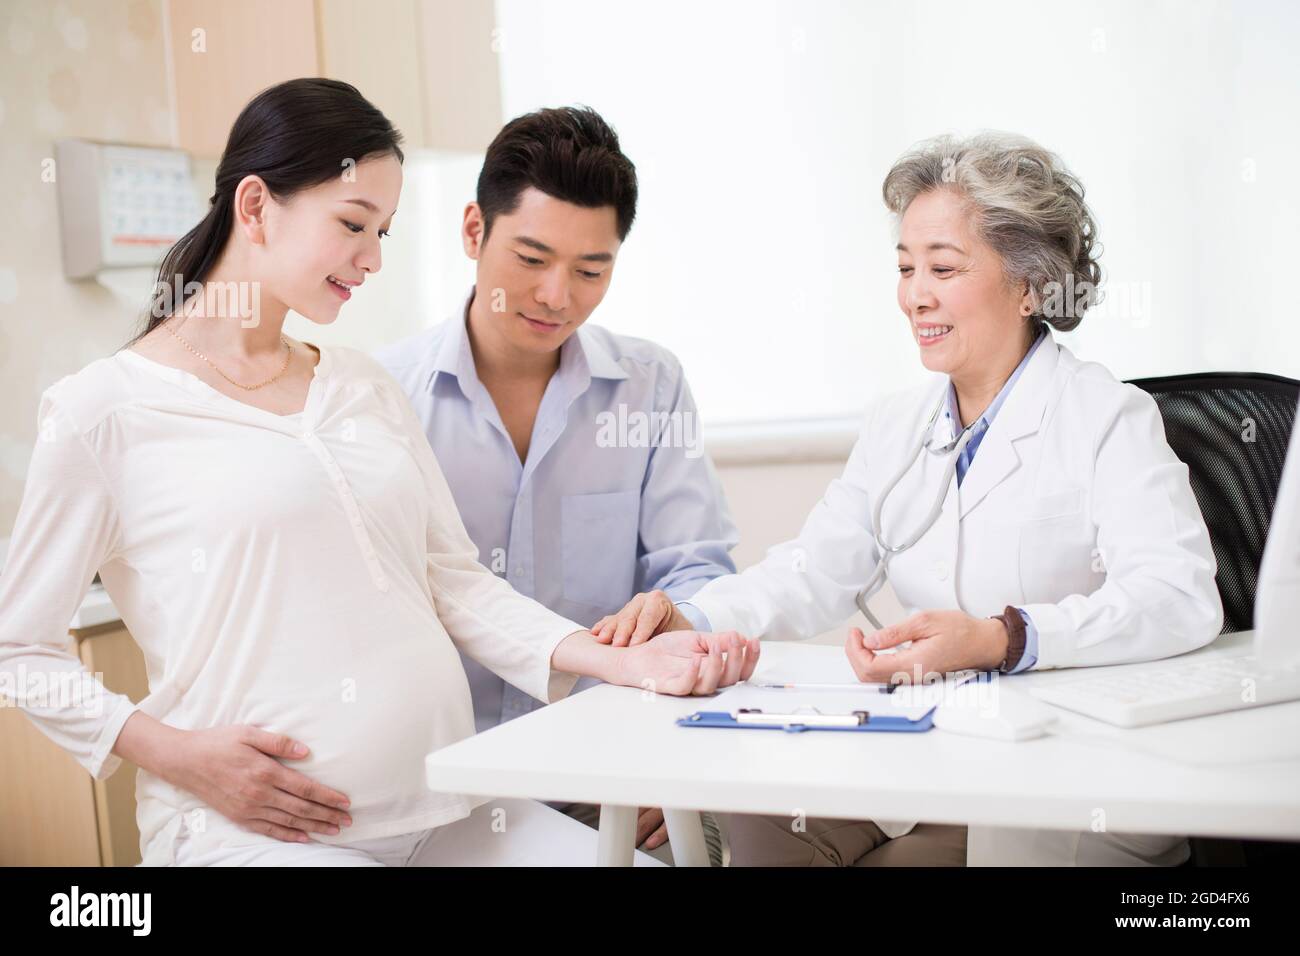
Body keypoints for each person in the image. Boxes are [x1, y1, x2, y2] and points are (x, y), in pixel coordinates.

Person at [0, 78, 757, 867]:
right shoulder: (103, 410)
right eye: (353, 224)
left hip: (444, 808)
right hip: (258, 833)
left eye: (384, 232)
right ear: (255, 206)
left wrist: (617, 659)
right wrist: (177, 754)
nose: (372, 259)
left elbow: (454, 582)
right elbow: (19, 650)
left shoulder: (359, 383)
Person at [592, 131, 1223, 866]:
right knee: (761, 821)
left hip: (1058, 771)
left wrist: (1005, 638)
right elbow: (816, 569)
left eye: (943, 268)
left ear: (1028, 285)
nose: (915, 294)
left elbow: (1179, 596)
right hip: (925, 748)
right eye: (905, 267)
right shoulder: (901, 424)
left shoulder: (1106, 417)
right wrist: (692, 615)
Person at [374, 106, 737, 862]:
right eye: (531, 258)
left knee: (706, 844)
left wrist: (672, 757)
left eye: (590, 270)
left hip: (610, 765)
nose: (555, 296)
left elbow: (699, 572)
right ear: (473, 231)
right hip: (441, 773)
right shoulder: (383, 395)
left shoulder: (651, 385)